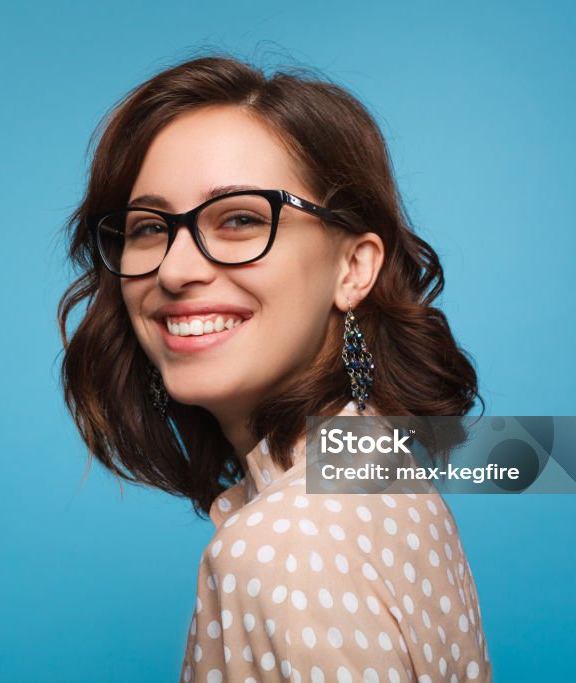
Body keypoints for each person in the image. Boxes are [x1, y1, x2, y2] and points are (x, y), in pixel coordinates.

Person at [58, 54, 491, 682]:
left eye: (239, 219)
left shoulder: (282, 548)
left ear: (354, 269)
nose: (175, 271)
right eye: (149, 228)